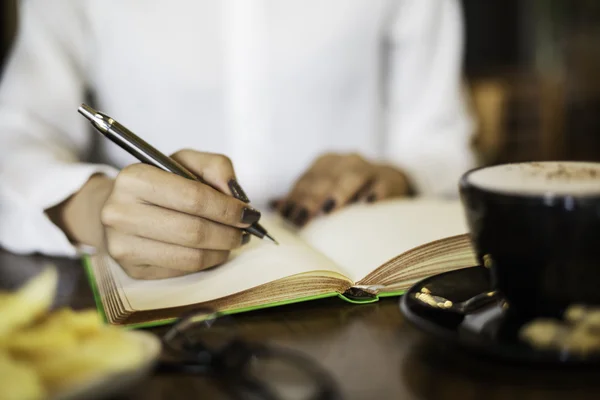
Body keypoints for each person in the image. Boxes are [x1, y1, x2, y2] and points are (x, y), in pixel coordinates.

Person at [0, 0, 477, 279]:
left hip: (371, 298)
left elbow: (442, 142)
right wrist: (95, 207)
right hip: (152, 316)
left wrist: (399, 174)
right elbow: (14, 140)